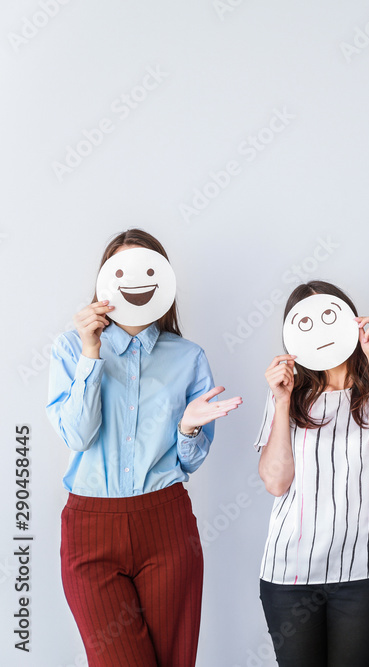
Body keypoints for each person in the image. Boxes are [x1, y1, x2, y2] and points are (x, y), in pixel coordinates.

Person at [46, 228, 241, 667]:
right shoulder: (70, 349)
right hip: (91, 528)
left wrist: (189, 430)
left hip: (166, 525)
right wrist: (91, 352)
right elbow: (77, 435)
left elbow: (190, 460)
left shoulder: (188, 357)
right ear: (105, 281)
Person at [254, 281, 369, 667]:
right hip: (290, 572)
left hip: (364, 570)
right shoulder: (285, 397)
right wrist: (284, 401)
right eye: (306, 324)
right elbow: (275, 481)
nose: (320, 331)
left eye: (328, 318)